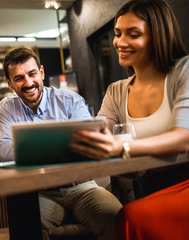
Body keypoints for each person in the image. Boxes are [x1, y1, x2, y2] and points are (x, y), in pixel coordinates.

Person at [67, 0, 189, 239]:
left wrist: (121, 146)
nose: (120, 43)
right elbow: (98, 133)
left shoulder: (183, 71)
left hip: (184, 183)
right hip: (150, 187)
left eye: (133, 34)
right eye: (117, 33)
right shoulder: (117, 90)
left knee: (130, 217)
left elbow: (183, 139)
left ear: (158, 36)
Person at [0, 47, 122, 240]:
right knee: (25, 227)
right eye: (19, 78)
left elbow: (90, 143)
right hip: (39, 192)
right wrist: (65, 148)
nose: (28, 83)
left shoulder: (70, 100)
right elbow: (3, 153)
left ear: (42, 72)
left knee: (118, 219)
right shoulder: (6, 109)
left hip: (81, 186)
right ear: (9, 83)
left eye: (32, 73)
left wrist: (31, 150)